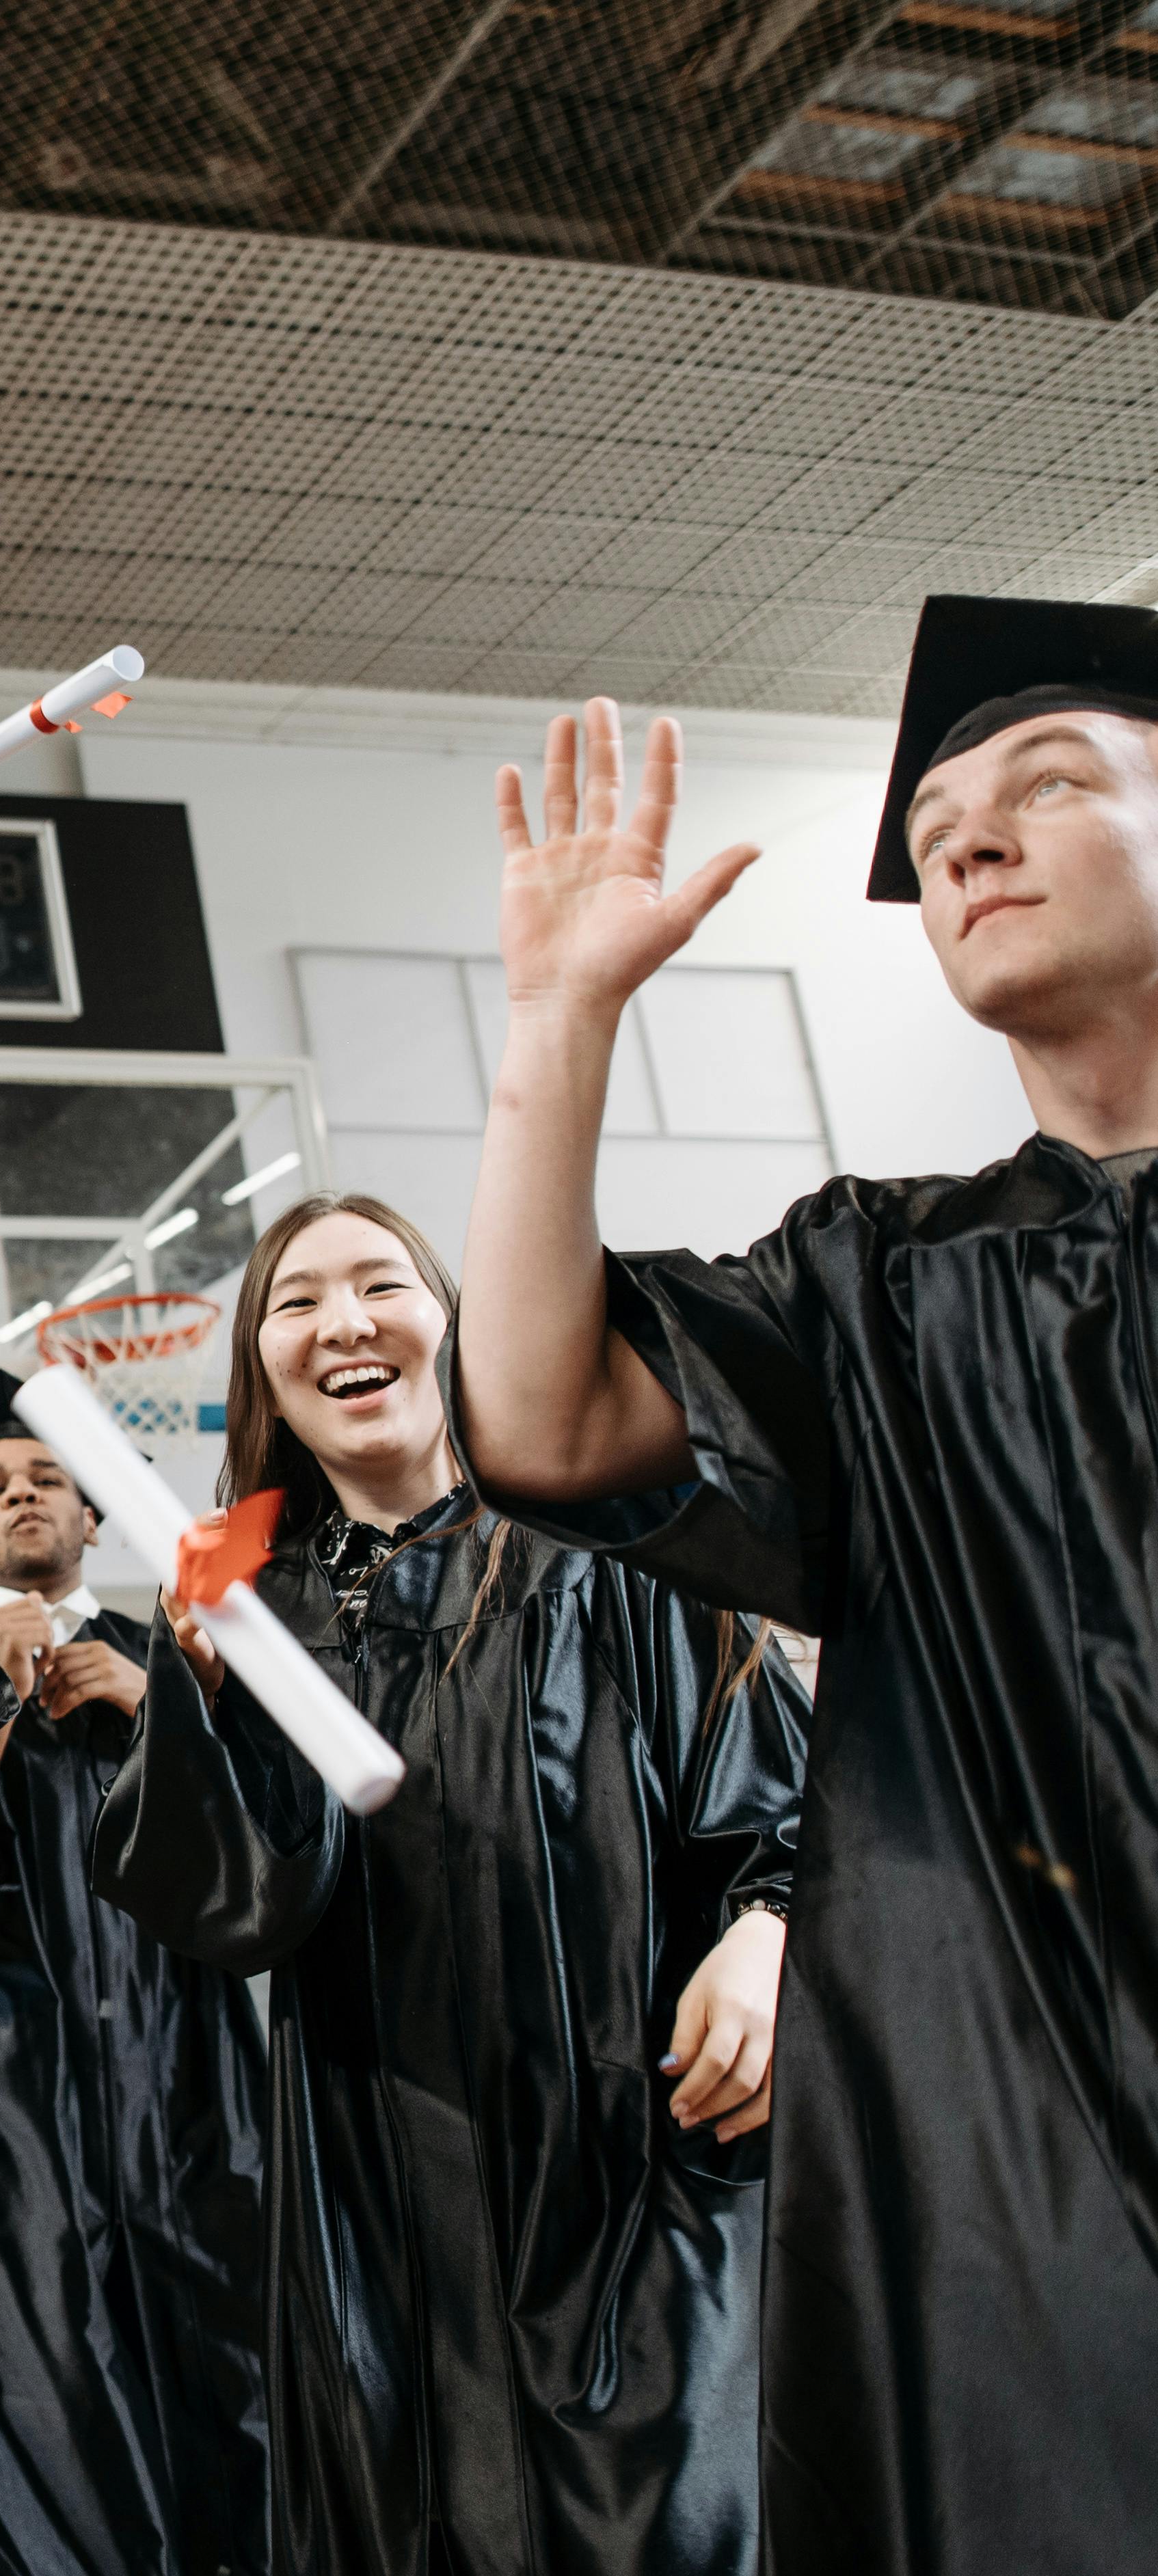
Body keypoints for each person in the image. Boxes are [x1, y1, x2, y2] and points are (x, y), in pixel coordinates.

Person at [448, 629, 1158, 2572]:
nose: (968, 846)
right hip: (1017, 2153)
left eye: (1046, 791)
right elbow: (536, 1408)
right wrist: (559, 1021)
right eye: (932, 828)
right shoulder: (881, 1282)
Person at [83, 1193, 805, 2576]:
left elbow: (780, 1810)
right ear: (266, 1374)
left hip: (625, 2188)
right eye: (297, 1301)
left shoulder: (609, 1560)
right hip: (374, 2225)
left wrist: (770, 1931)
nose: (344, 1321)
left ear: (449, 1322)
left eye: (380, 1284)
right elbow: (225, 1905)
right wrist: (211, 1693)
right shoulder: (259, 1620)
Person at [0, 1374, 265, 2576]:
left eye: (47, 1478)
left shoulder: (182, 1660)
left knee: (230, 2386)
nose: (22, 1495)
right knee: (24, 2403)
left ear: (93, 1518)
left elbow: (262, 1862)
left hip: (186, 2075)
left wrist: (158, 1710)